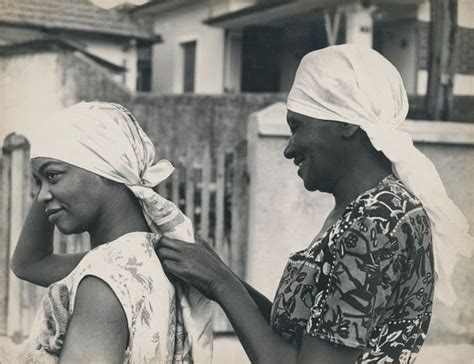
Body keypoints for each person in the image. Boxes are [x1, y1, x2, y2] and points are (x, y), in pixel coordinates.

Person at [156, 44, 473, 363]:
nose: (288, 149)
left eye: (297, 127)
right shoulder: (363, 211)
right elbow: (296, 335)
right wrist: (222, 274)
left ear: (347, 123)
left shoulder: (379, 220)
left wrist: (221, 283)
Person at [10, 102, 213, 363]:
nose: (41, 196)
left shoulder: (102, 281)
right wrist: (47, 169)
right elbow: (29, 264)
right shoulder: (149, 256)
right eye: (38, 183)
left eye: (54, 176)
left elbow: (29, 265)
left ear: (105, 169)